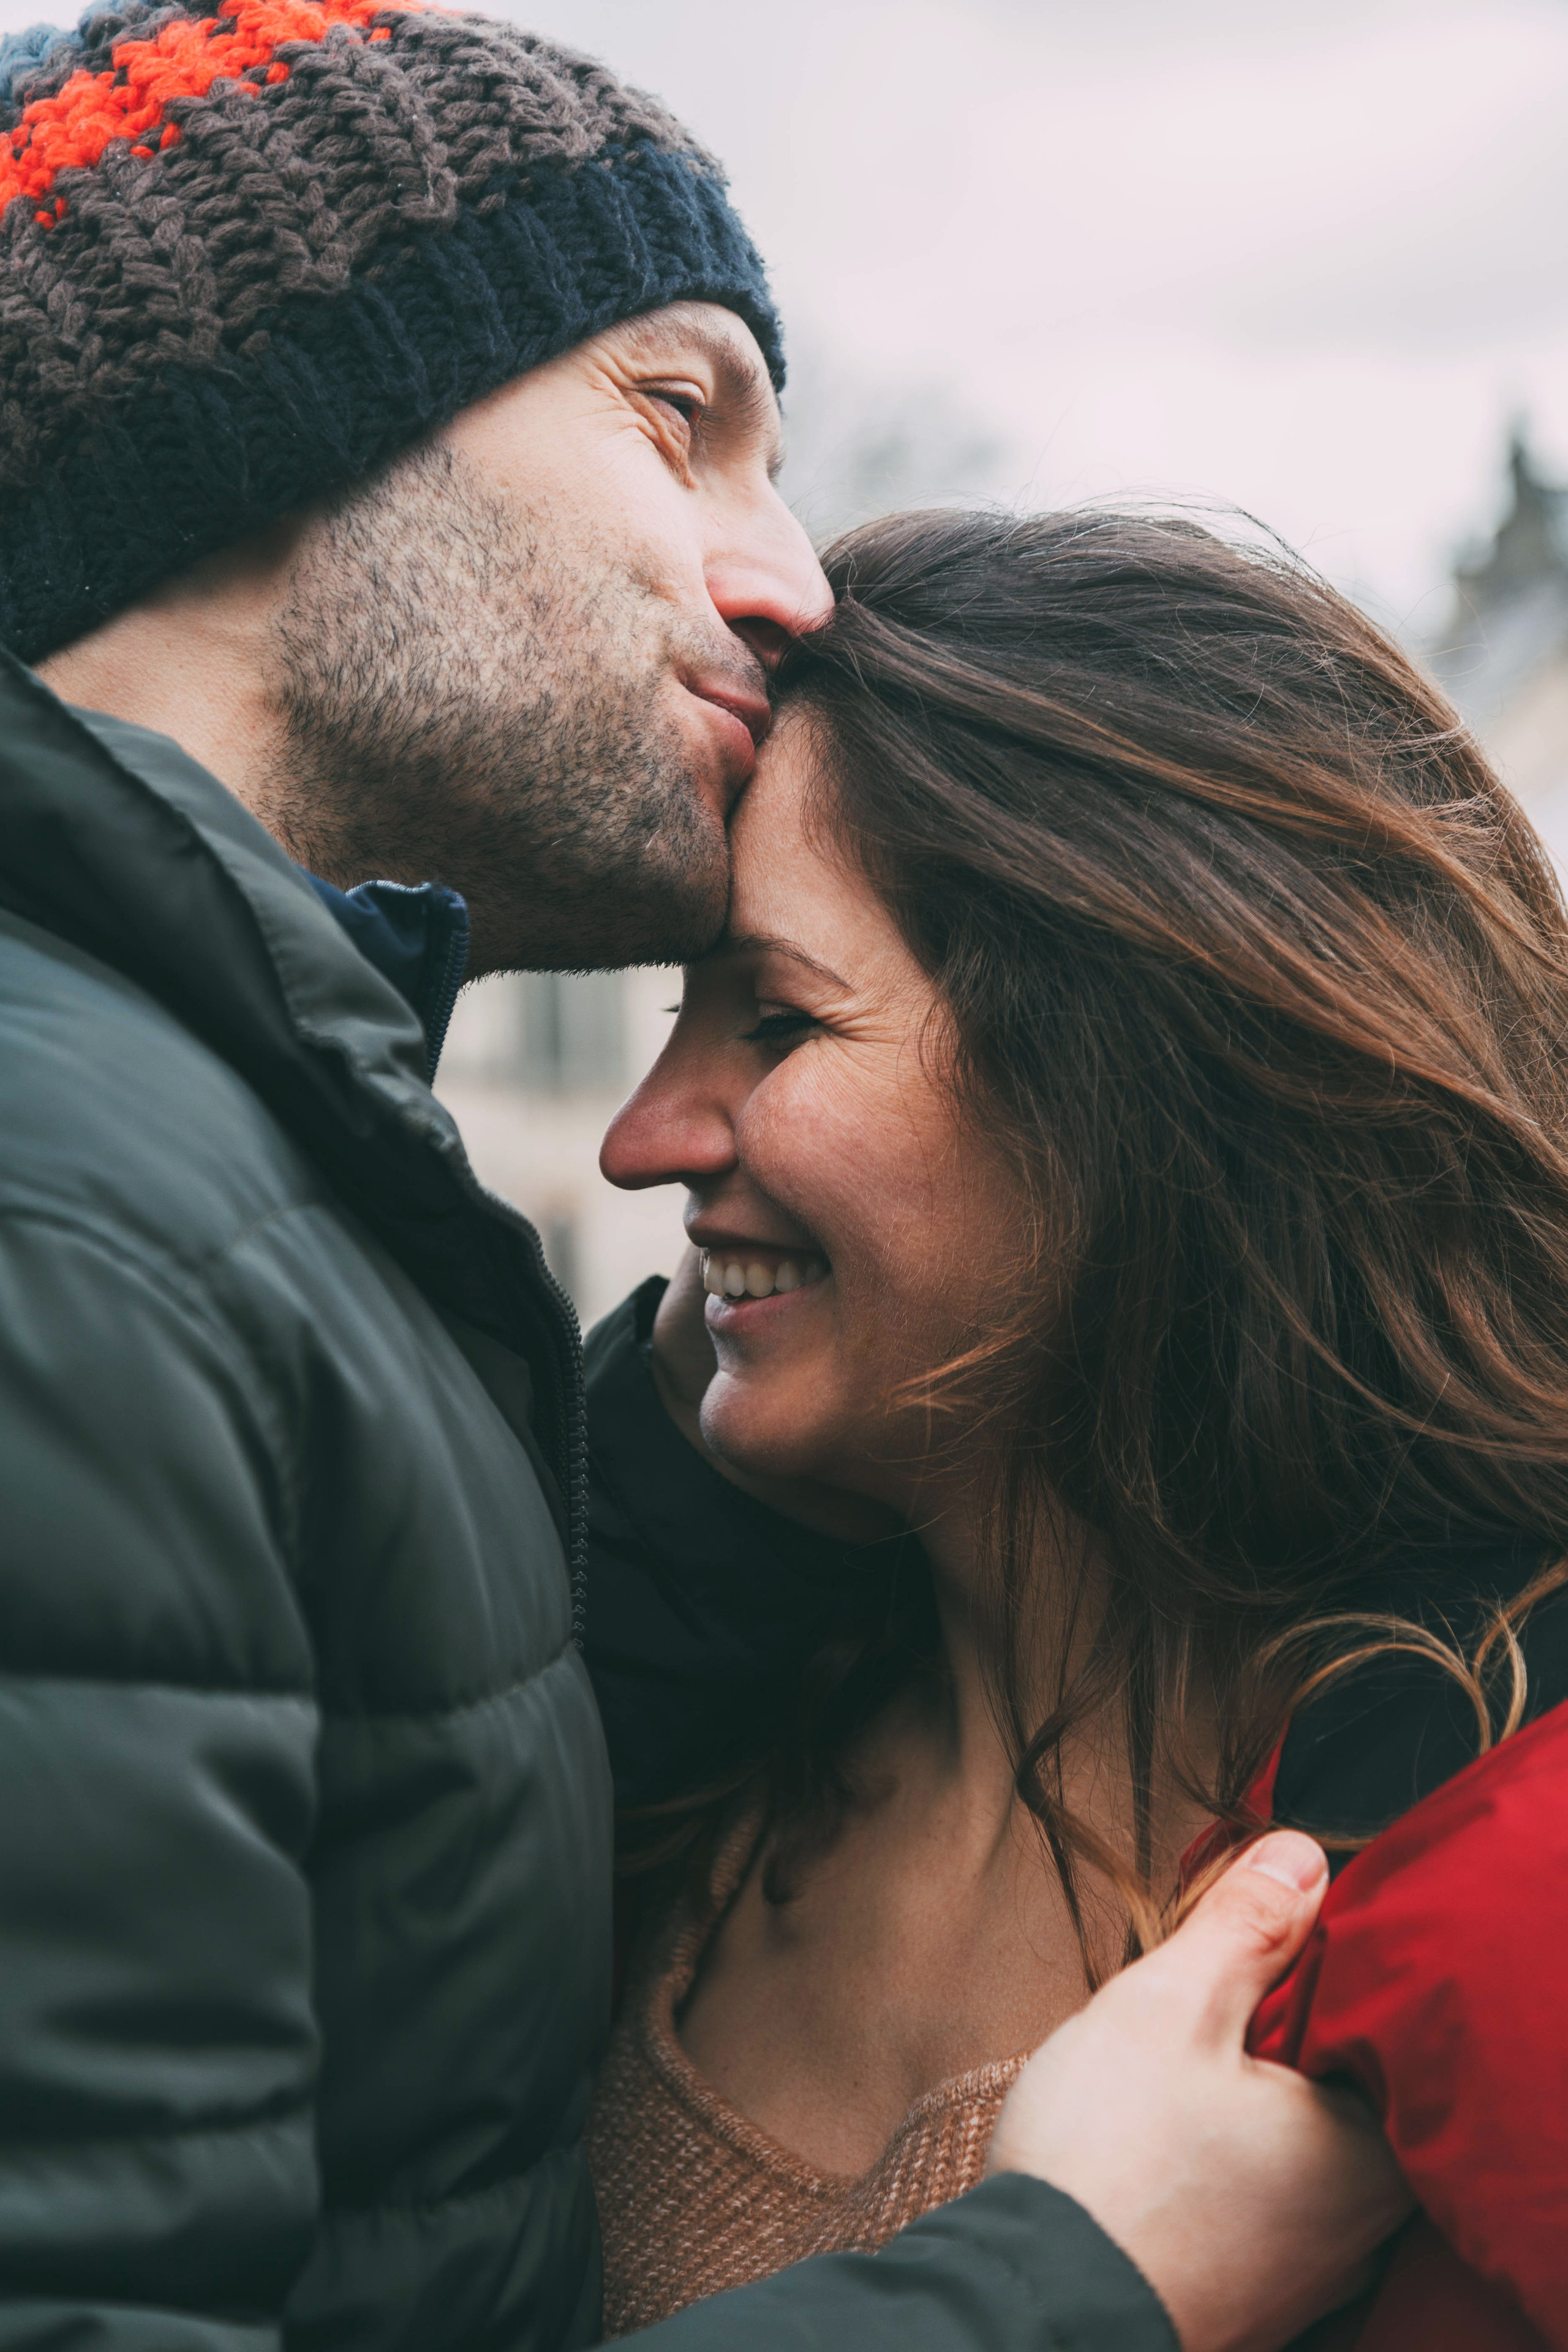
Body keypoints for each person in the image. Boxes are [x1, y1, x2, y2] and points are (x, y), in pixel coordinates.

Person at [0, 8, 1407, 2347]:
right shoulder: (74, 1217)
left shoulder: (217, 1151)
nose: (793, 579)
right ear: (270, 417)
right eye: (681, 419)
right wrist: (1059, 2292)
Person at [587, 508, 1568, 2344]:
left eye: (773, 1024)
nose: (642, 1137)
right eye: (671, 1017)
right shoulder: (655, 1729)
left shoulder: (1497, 1863)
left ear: (1131, 1080)